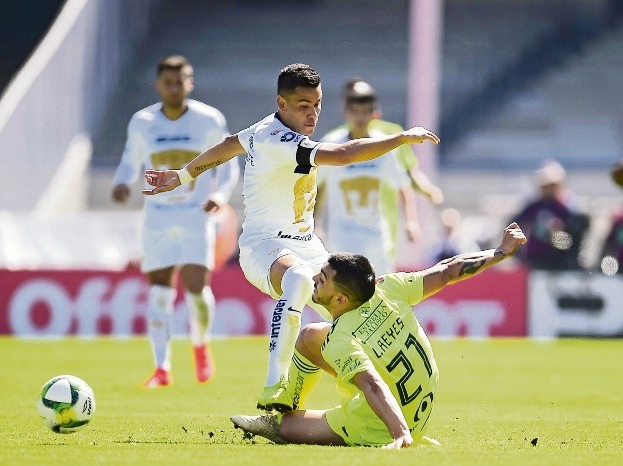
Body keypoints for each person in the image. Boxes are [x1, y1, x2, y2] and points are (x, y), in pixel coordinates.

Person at [143, 63, 439, 411]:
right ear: (281, 103)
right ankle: (274, 386)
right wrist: (401, 139)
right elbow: (344, 154)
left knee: (362, 305)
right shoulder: (275, 139)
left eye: (317, 105)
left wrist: (182, 175)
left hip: (308, 246)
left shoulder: (262, 130)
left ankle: (370, 388)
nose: (312, 113)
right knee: (299, 279)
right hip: (264, 247)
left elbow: (228, 145)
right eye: (303, 106)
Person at [230, 222, 528, 448]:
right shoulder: (389, 287)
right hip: (419, 404)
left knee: (286, 429)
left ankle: (283, 419)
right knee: (309, 337)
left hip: (381, 425)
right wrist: (499, 253)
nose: (314, 280)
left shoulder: (341, 338)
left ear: (341, 299)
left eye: (322, 279)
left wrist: (401, 434)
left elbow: (372, 385)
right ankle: (287, 402)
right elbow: (449, 270)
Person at [112, 55, 240, 387]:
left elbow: (229, 163)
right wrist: (122, 182)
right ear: (158, 85)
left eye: (179, 82)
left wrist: (220, 195)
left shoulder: (208, 119)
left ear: (189, 83)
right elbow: (130, 160)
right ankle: (161, 367)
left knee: (197, 290)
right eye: (168, 82)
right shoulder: (142, 121)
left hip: (195, 216)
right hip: (157, 217)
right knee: (159, 294)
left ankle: (200, 346)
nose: (173, 88)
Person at [317, 80, 420, 272]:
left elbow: (402, 186)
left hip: (375, 235)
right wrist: (315, 224)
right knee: (344, 285)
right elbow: (318, 186)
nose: (360, 118)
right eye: (355, 112)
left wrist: (411, 221)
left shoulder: (382, 146)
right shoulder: (333, 145)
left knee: (380, 284)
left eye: (365, 112)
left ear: (374, 115)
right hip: (342, 235)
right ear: (346, 113)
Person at [511, 159, 589, 270]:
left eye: (552, 185)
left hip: (559, 264)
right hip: (533, 262)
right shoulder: (533, 207)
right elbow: (514, 227)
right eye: (545, 186)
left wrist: (559, 231)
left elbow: (575, 238)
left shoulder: (568, 208)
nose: (548, 189)